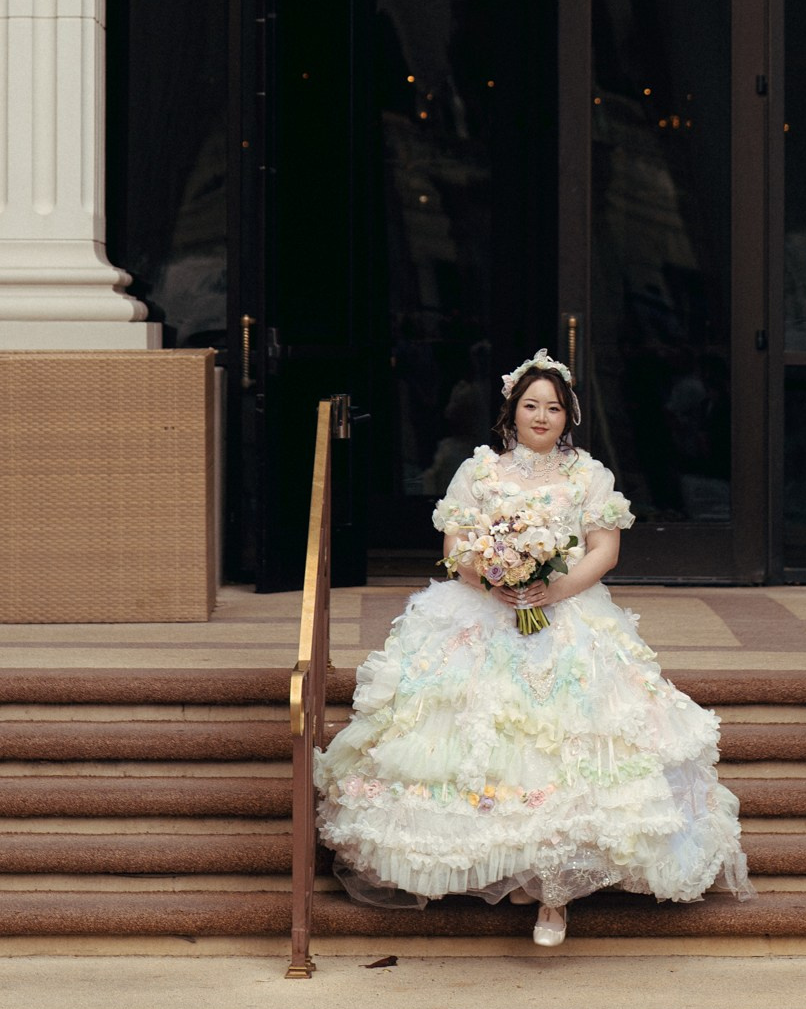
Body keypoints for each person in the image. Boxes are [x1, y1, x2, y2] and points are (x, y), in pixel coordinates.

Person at [315, 347, 752, 949]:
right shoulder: (479, 471)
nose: (541, 417)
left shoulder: (588, 475)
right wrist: (493, 580)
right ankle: (504, 867)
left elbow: (604, 549)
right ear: (511, 413)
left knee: (569, 744)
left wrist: (552, 589)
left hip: (569, 617)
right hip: (483, 613)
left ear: (568, 415)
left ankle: (555, 897)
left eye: (553, 407)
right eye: (530, 405)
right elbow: (455, 542)